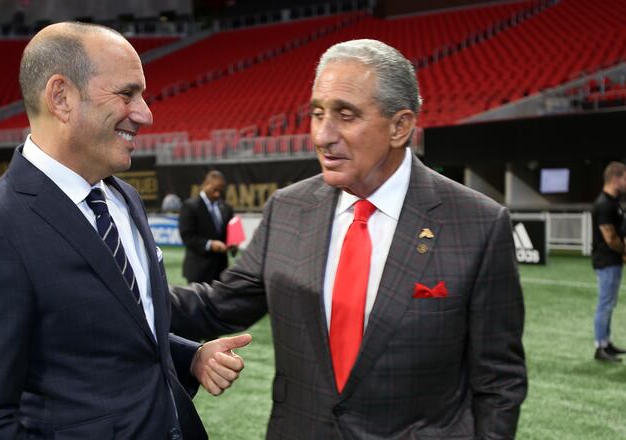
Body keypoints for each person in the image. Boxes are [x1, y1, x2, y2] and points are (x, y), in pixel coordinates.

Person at [170, 39, 527, 439]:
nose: (323, 135)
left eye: (346, 115)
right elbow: (217, 305)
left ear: (400, 126)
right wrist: (119, 289)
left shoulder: (477, 223)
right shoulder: (288, 209)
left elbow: (499, 382)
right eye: (317, 113)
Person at [0, 22, 251, 440]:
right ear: (61, 97)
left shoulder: (123, 198)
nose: (146, 113)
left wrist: (188, 357)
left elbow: (108, 330)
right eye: (126, 94)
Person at [590, 161, 626, 362]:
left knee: (609, 303)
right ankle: (600, 347)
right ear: (615, 178)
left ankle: (606, 343)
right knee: (605, 304)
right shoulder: (603, 204)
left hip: (612, 261)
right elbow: (610, 238)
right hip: (606, 261)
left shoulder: (613, 201)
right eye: (625, 178)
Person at [178, 170, 236, 283]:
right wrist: (210, 244)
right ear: (205, 185)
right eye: (215, 190)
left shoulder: (226, 207)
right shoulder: (190, 206)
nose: (217, 194)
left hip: (221, 271)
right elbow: (187, 236)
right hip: (199, 271)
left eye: (220, 190)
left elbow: (229, 235)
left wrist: (233, 244)